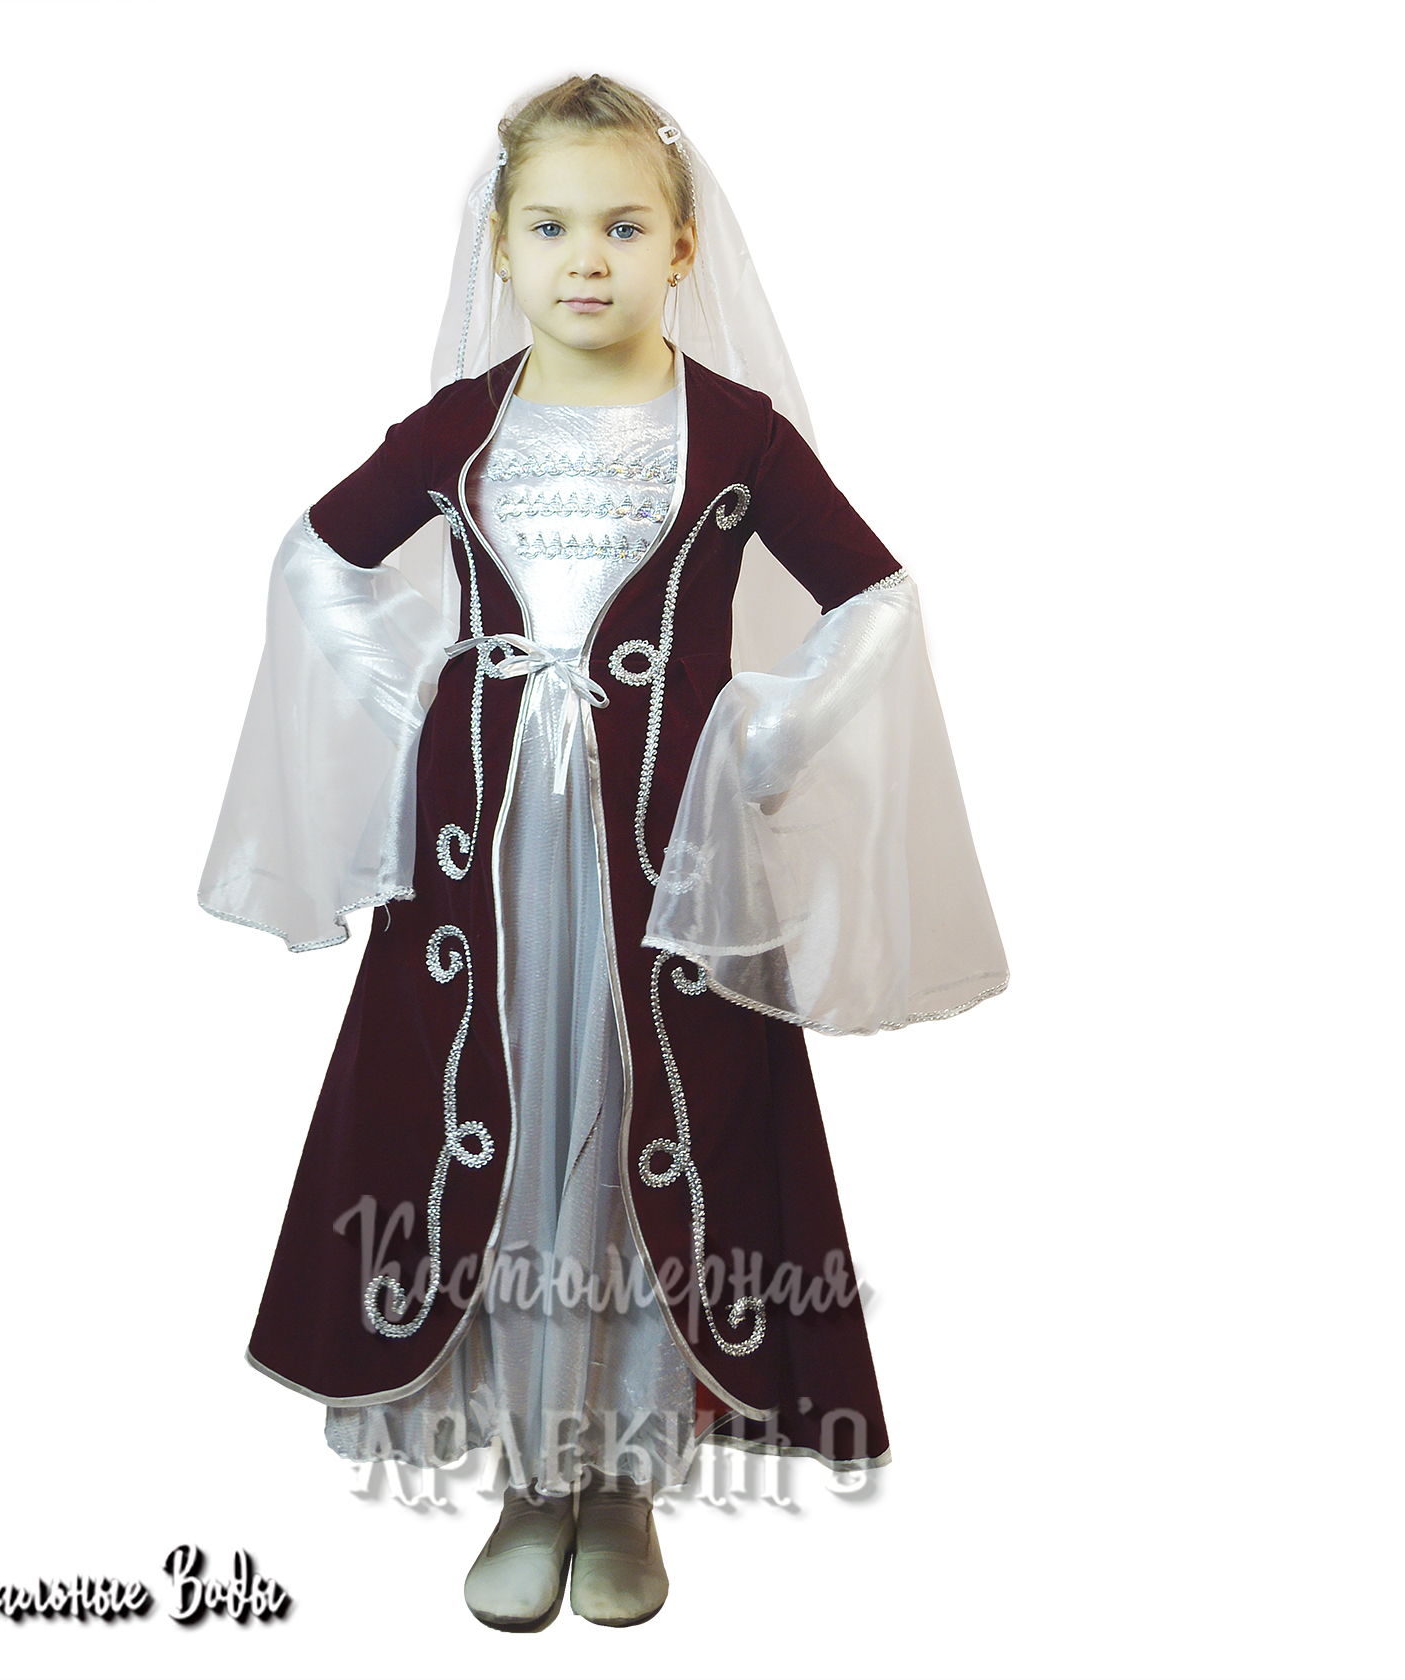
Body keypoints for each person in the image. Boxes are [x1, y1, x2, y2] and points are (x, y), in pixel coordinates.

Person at [198, 73, 1008, 1633]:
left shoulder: (738, 435)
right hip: (486, 869)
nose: (589, 257)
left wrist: (754, 741)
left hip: (665, 868)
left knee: (645, 1123)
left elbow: (876, 599)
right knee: (502, 1123)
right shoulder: (466, 424)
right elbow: (319, 557)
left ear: (681, 245)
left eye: (625, 227)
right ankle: (529, 1473)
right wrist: (420, 705)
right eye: (554, 226)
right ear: (500, 246)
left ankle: (624, 1477)